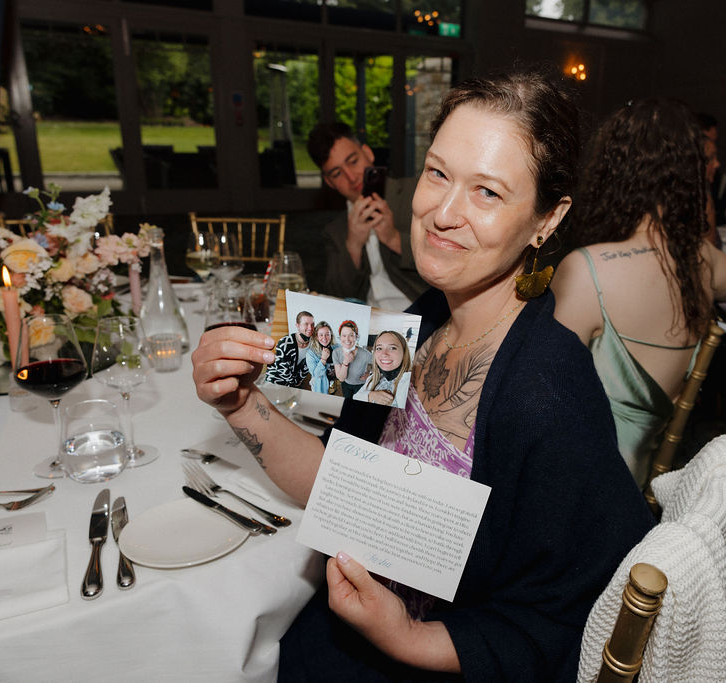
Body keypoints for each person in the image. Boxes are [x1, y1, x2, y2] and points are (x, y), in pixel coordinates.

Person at [191, 69, 652, 681]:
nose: (442, 212)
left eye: (487, 192)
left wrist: (410, 637)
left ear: (548, 219)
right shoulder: (422, 319)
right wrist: (239, 401)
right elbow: (340, 482)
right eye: (438, 173)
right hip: (344, 621)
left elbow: (564, 618)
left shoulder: (549, 393)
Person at [551, 98, 726, 486]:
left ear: (611, 172)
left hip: (585, 472)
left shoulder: (586, 269)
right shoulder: (702, 261)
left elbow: (544, 388)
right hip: (647, 463)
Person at [307, 121, 429, 309]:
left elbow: (449, 261)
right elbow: (334, 297)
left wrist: (394, 238)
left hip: (425, 318)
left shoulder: (414, 193)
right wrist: (353, 245)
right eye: (337, 173)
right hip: (365, 325)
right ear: (329, 183)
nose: (351, 177)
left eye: (353, 161)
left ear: (368, 153)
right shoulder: (335, 231)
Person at [353, 330, 411, 406]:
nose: (384, 354)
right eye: (379, 348)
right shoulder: (372, 378)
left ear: (404, 352)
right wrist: (370, 396)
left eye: (393, 348)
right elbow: (355, 397)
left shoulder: (408, 383)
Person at [263, 310, 314, 388]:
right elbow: (282, 370)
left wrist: (298, 381)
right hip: (275, 380)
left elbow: (306, 368)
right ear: (297, 325)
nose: (310, 328)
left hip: (295, 383)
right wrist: (294, 383)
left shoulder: (313, 346)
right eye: (306, 324)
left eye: (312, 324)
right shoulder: (285, 342)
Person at [332, 320, 373, 399]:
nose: (347, 339)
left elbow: (378, 366)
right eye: (344, 335)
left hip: (361, 385)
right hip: (345, 384)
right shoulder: (336, 352)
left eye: (351, 335)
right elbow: (341, 378)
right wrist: (345, 362)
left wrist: (370, 374)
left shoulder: (366, 354)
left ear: (356, 336)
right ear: (340, 337)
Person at [305, 321, 336, 394]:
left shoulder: (336, 347)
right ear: (316, 336)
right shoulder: (310, 353)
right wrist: (323, 359)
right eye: (321, 335)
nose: (324, 338)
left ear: (331, 335)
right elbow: (316, 375)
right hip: (320, 388)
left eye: (327, 334)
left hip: (336, 386)